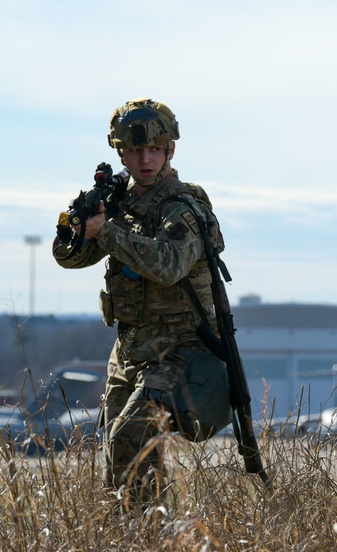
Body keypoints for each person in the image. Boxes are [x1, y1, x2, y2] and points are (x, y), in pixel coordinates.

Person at [53, 99, 227, 511]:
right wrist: (79, 223)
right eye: (134, 151)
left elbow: (167, 265)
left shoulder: (182, 207)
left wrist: (107, 231)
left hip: (180, 350)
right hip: (130, 353)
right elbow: (70, 258)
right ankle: (136, 548)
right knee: (116, 460)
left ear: (170, 150)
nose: (145, 160)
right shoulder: (123, 203)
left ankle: (153, 543)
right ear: (121, 152)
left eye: (154, 149)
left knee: (128, 439)